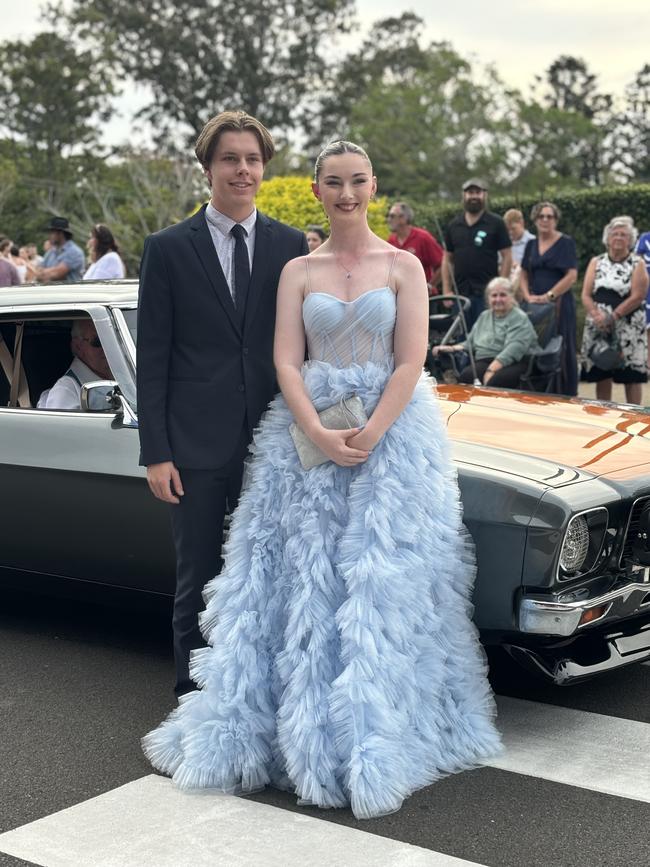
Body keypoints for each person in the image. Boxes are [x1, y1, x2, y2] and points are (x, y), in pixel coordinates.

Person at [142, 140, 501, 821]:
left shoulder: (403, 266)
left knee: (379, 582)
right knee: (297, 581)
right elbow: (285, 359)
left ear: (373, 185)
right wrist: (317, 427)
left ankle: (371, 729)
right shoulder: (296, 269)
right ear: (315, 189)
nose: (345, 193)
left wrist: (369, 432)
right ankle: (292, 728)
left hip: (392, 441)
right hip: (304, 436)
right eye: (332, 182)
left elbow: (411, 360)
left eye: (357, 181)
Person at [137, 111, 308, 699]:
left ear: (264, 168)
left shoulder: (291, 245)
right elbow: (152, 358)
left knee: (271, 574)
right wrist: (156, 452)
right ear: (207, 168)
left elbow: (302, 346)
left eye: (252, 160)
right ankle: (194, 699)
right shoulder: (166, 249)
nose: (242, 170)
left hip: (273, 444)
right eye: (230, 159)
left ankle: (259, 695)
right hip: (194, 447)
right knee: (200, 578)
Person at [581, 216, 648, 405]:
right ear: (607, 238)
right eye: (615, 234)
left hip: (628, 324)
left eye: (624, 235)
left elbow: (638, 296)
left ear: (631, 240)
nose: (618, 237)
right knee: (602, 370)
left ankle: (635, 415)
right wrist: (597, 315)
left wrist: (614, 316)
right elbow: (586, 294)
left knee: (631, 375)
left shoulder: (638, 263)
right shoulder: (596, 261)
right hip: (598, 323)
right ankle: (604, 414)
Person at [433, 277, 537, 387]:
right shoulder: (484, 316)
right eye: (494, 295)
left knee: (495, 382)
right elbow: (470, 342)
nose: (498, 299)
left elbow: (514, 349)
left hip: (515, 361)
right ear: (488, 298)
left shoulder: (519, 317)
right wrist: (452, 348)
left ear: (511, 297)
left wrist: (490, 371)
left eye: (503, 295)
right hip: (486, 359)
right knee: (467, 376)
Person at [519, 202, 579, 396]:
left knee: (561, 346)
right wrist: (528, 296)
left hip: (559, 304)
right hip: (535, 306)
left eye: (549, 216)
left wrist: (550, 295)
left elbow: (571, 275)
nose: (545, 220)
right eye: (541, 216)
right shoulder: (530, 244)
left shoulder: (566, 242)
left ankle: (564, 392)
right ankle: (538, 390)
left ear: (556, 220)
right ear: (535, 220)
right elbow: (523, 273)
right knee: (535, 345)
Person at [442, 179, 512, 330]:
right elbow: (447, 258)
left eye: (478, 192)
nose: (474, 196)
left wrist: (502, 285)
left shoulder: (496, 223)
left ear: (484, 195)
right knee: (461, 337)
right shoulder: (454, 225)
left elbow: (507, 255)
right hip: (460, 294)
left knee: (486, 337)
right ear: (464, 195)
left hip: (487, 294)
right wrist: (447, 290)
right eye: (470, 192)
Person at [37, 320, 112, 410]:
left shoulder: (125, 374)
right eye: (97, 341)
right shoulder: (66, 390)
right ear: (78, 347)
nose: (107, 347)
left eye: (110, 339)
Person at [387, 201, 443, 294]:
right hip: (401, 298)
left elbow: (442, 264)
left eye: (392, 216)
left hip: (425, 298)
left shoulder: (423, 237)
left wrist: (430, 286)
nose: (389, 219)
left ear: (403, 218)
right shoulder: (391, 241)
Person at [35, 217, 85, 283]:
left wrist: (43, 272)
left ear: (61, 233)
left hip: (69, 292)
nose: (49, 235)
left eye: (52, 232)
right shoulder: (50, 252)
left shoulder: (74, 252)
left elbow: (58, 273)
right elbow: (37, 272)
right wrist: (41, 273)